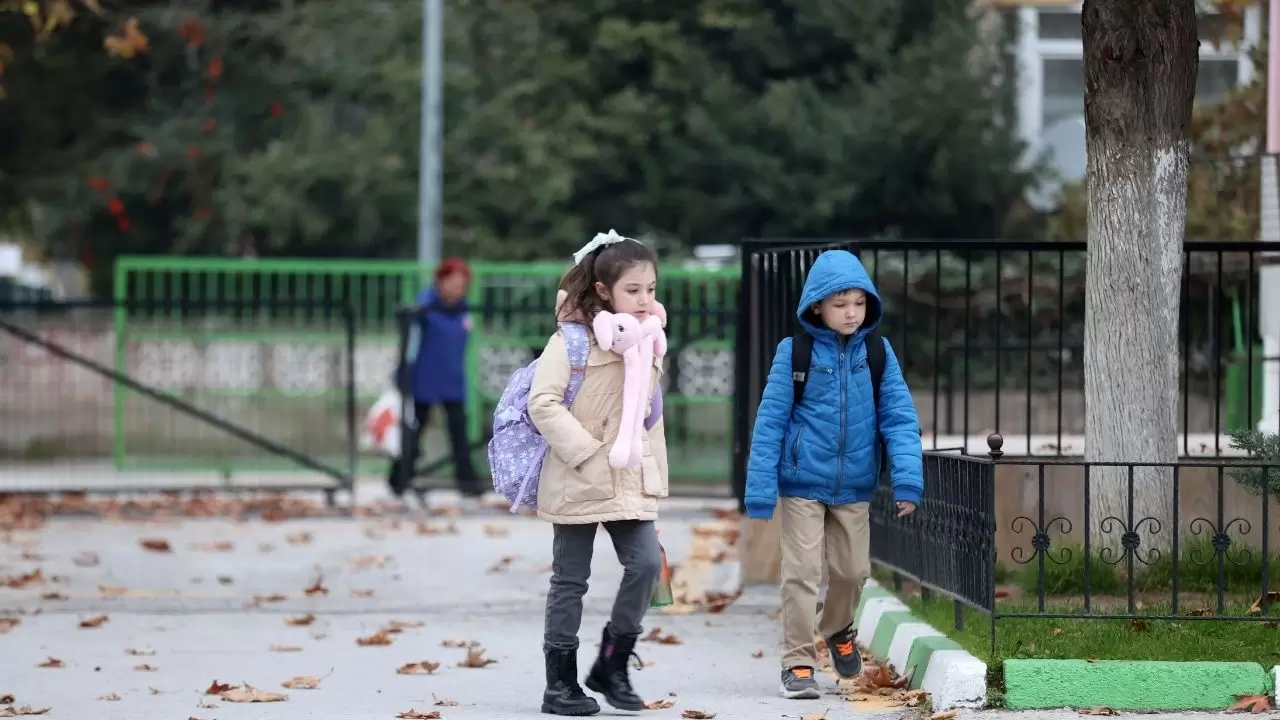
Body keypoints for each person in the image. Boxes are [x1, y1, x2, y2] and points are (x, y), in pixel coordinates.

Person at [744, 249, 924, 700]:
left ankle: (837, 628)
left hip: (854, 486)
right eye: (840, 302)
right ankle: (799, 662)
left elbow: (899, 419)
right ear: (817, 306)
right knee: (801, 573)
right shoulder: (795, 352)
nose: (850, 312)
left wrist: (907, 481)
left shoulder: (878, 353)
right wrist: (761, 490)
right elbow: (770, 421)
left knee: (852, 572)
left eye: (859, 303)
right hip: (803, 482)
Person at [527, 232, 668, 716]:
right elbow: (542, 403)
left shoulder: (649, 341)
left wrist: (655, 478)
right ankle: (560, 683)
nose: (644, 299)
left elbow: (651, 417)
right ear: (605, 290)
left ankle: (613, 664)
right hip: (578, 472)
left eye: (650, 288)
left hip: (629, 475)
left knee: (647, 565)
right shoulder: (569, 339)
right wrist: (586, 452)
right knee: (571, 579)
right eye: (633, 290)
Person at [389, 257, 483, 499]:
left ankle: (467, 483)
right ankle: (399, 479)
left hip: (451, 380)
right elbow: (409, 343)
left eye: (462, 285)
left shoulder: (464, 310)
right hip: (423, 378)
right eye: (453, 283)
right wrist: (403, 373)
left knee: (459, 432)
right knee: (414, 431)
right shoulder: (423, 307)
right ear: (440, 281)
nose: (457, 289)